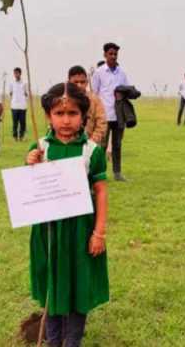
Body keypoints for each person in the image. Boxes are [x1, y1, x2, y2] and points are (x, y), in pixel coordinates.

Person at [26, 82, 108, 347]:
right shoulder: (40, 148)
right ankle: (52, 340)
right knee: (53, 284)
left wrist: (98, 233)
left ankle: (73, 341)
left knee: (77, 285)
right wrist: (30, 165)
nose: (65, 120)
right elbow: (29, 190)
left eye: (72, 113)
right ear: (49, 116)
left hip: (80, 232)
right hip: (49, 233)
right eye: (59, 114)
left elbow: (101, 192)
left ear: (83, 115)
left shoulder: (91, 152)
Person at [92, 42, 131, 181]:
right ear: (105, 55)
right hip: (104, 115)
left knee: (117, 145)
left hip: (119, 115)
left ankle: (117, 173)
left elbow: (127, 90)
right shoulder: (99, 72)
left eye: (115, 54)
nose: (113, 56)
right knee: (101, 146)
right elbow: (94, 94)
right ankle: (100, 173)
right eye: (111, 54)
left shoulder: (122, 73)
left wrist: (125, 94)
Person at [68, 65, 108, 145]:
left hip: (90, 144)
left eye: (82, 82)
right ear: (68, 82)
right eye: (75, 82)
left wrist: (92, 142)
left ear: (87, 82)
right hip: (67, 143)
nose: (79, 85)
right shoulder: (63, 100)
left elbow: (102, 123)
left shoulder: (94, 100)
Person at [9, 67, 28, 141]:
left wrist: (23, 98)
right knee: (15, 123)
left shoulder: (24, 83)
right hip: (14, 106)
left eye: (17, 73)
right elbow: (10, 93)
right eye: (15, 73)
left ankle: (21, 136)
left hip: (23, 106)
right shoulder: (11, 83)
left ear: (20, 73)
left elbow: (27, 93)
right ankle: (15, 137)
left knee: (23, 123)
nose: (16, 75)